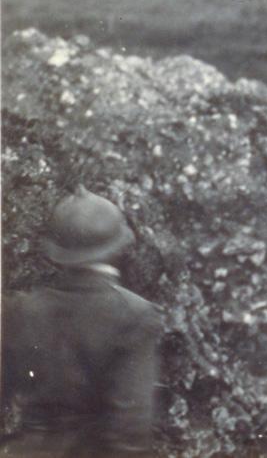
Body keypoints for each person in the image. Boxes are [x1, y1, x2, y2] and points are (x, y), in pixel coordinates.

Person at [1, 185, 162, 457]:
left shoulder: (20, 309)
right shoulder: (135, 315)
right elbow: (130, 428)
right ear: (118, 247)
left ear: (57, 252)